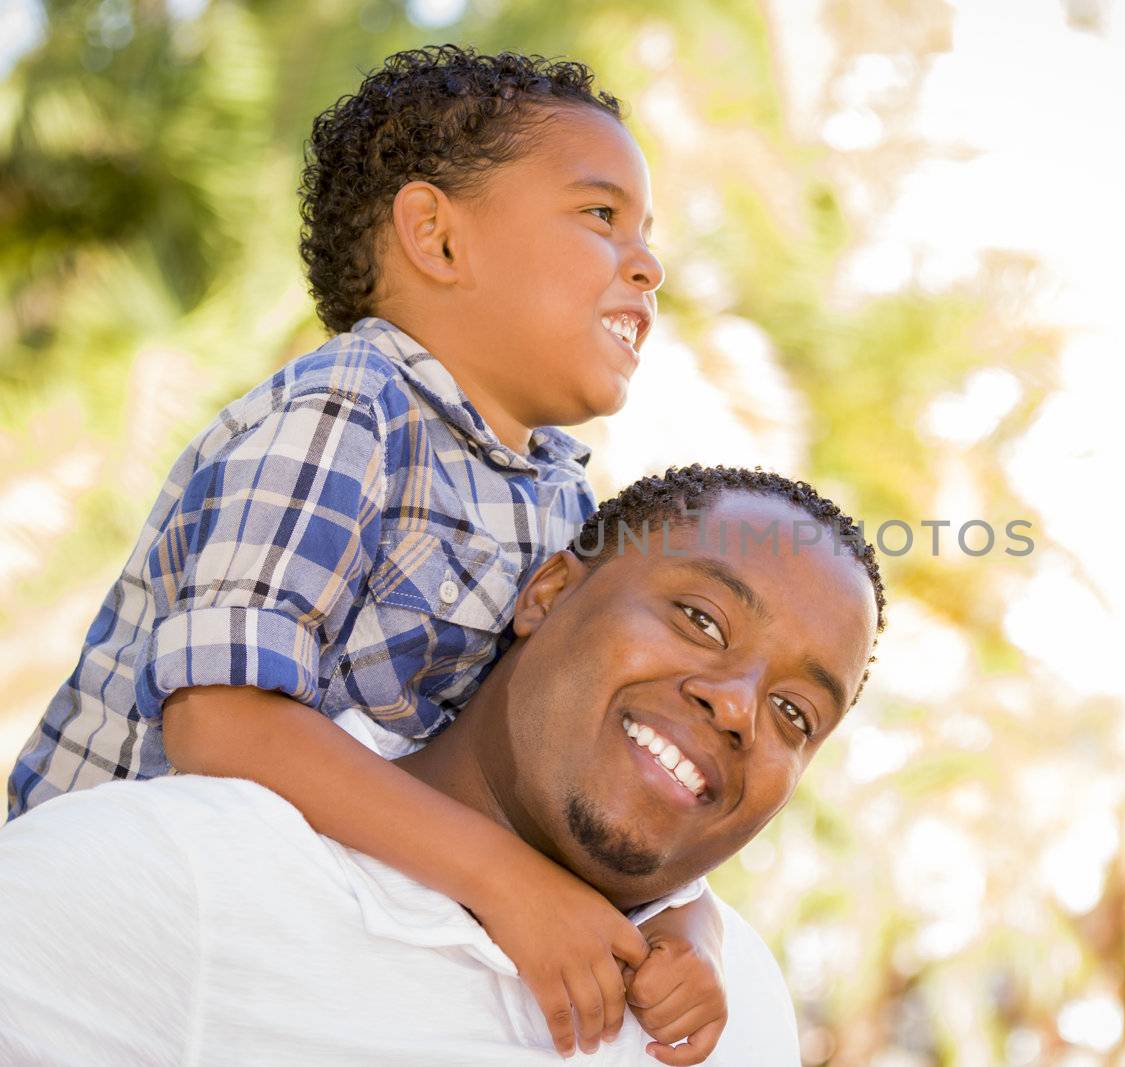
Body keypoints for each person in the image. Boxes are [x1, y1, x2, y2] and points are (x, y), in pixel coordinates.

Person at [3, 46, 730, 1061]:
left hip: (319, 928)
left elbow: (555, 752)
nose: (646, 263)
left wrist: (684, 926)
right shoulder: (348, 409)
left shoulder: (562, 493)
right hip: (126, 949)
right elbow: (223, 721)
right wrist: (504, 877)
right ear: (434, 236)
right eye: (601, 216)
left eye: (646, 234)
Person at [0, 466, 887, 1065]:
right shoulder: (169, 881)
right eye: (699, 617)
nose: (737, 706)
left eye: (793, 713)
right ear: (549, 592)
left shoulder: (744, 1009)